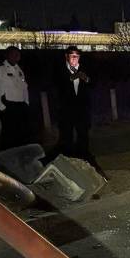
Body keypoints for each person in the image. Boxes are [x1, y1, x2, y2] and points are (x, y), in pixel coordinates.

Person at [51, 45, 102, 173]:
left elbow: (94, 83)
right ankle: (67, 162)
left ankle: (85, 160)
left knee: (83, 136)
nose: (75, 59)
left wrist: (87, 79)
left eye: (77, 56)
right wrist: (71, 78)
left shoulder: (85, 69)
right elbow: (56, 85)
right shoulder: (59, 70)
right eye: (72, 56)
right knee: (66, 137)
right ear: (66, 57)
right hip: (66, 110)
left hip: (82, 110)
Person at [0, 45, 32, 149]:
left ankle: (20, 157)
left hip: (21, 106)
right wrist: (1, 106)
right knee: (8, 136)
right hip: (8, 105)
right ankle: (7, 159)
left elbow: (24, 88)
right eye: (13, 54)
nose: (16, 57)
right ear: (7, 55)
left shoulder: (19, 70)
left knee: (22, 135)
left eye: (18, 55)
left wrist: (26, 103)